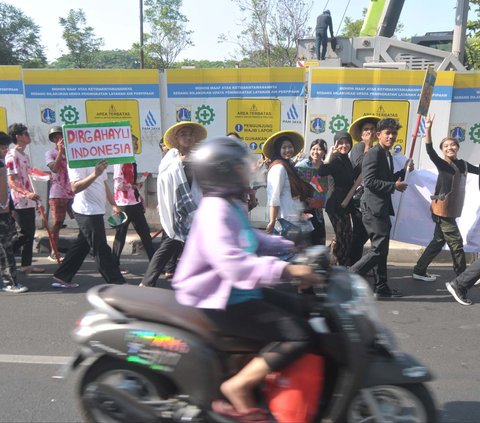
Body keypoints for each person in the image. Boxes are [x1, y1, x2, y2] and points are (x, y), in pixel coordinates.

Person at [172, 136, 323, 418]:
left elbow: (249, 238)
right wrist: (287, 269)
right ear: (223, 172)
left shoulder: (229, 204)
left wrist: (292, 247)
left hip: (238, 290)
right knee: (297, 335)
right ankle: (239, 386)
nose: (247, 170)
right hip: (220, 298)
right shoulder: (215, 210)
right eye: (240, 167)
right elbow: (234, 265)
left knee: (308, 309)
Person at [349, 118, 412, 298]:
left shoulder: (386, 155)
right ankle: (347, 277)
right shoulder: (373, 153)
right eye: (387, 133)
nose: (391, 136)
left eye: (394, 133)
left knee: (381, 250)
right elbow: (369, 182)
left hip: (382, 208)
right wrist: (394, 186)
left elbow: (387, 176)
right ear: (378, 135)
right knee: (378, 250)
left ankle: (381, 286)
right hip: (373, 209)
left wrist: (404, 172)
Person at [412, 115, 479, 282]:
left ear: (457, 147)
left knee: (437, 241)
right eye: (446, 146)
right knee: (456, 243)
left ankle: (419, 270)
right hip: (442, 210)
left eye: (453, 145)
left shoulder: (463, 164)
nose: (450, 147)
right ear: (443, 150)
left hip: (452, 209)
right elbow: (429, 150)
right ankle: (463, 277)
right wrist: (428, 129)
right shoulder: (442, 164)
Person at [140, 121, 207, 288]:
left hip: (195, 208)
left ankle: (197, 281)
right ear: (176, 138)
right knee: (170, 244)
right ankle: (148, 282)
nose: (187, 137)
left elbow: (206, 183)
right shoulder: (170, 160)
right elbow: (164, 185)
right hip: (176, 211)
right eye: (183, 134)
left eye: (190, 134)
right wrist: (164, 204)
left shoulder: (201, 159)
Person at [52, 159, 126, 288]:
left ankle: (62, 275)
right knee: (100, 247)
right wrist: (95, 174)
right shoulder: (75, 161)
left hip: (97, 209)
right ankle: (116, 282)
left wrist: (113, 203)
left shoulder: (95, 157)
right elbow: (75, 187)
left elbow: (103, 183)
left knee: (82, 245)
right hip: (86, 211)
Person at [112, 134, 155, 271]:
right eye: (133, 143)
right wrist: (132, 187)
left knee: (145, 234)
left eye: (136, 143)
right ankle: (114, 265)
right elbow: (118, 184)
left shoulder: (131, 160)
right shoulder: (120, 161)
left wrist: (138, 194)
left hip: (134, 202)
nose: (135, 146)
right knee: (120, 236)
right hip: (123, 204)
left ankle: (155, 264)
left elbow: (130, 183)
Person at [6, 123, 44, 274]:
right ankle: (4, 254)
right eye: (26, 134)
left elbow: (27, 176)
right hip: (18, 200)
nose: (29, 136)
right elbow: (12, 180)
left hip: (29, 199)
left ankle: (26, 265)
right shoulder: (12, 155)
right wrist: (26, 194)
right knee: (24, 233)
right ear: (18, 137)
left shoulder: (25, 156)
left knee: (29, 233)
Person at [263, 131, 313, 234]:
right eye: (284, 147)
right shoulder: (279, 167)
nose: (288, 150)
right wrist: (272, 221)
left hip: (293, 218)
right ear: (278, 149)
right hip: (283, 220)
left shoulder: (288, 165)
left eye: (290, 147)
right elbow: (274, 197)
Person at [317, 132, 355, 266]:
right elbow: (321, 172)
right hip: (335, 204)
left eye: (347, 142)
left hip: (346, 203)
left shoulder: (347, 160)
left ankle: (336, 262)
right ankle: (336, 265)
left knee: (347, 236)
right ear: (336, 145)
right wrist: (329, 155)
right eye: (340, 143)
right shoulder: (335, 159)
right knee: (341, 237)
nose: (344, 145)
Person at [348, 115, 381, 264]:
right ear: (361, 134)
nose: (370, 132)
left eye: (372, 129)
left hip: (371, 196)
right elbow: (359, 167)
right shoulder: (359, 147)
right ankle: (353, 264)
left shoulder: (377, 149)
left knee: (365, 233)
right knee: (359, 233)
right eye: (366, 130)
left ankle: (355, 264)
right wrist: (367, 145)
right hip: (358, 197)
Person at [0, 132, 28, 293]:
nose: (5, 150)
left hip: (5, 211)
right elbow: (3, 192)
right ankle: (10, 282)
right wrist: (6, 209)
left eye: (6, 147)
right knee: (6, 248)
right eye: (2, 147)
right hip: (2, 213)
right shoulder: (1, 166)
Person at [45, 126, 74, 262]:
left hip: (73, 192)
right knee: (58, 222)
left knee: (82, 219)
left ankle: (84, 249)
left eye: (60, 136)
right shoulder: (50, 153)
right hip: (58, 193)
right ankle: (53, 251)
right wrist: (60, 152)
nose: (59, 139)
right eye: (55, 137)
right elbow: (55, 169)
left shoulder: (71, 153)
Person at [295, 139, 329, 245]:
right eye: (313, 149)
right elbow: (295, 185)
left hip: (318, 207)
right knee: (305, 238)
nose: (315, 152)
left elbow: (326, 188)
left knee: (318, 236)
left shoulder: (326, 168)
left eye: (319, 149)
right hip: (304, 207)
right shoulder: (302, 166)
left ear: (324, 152)